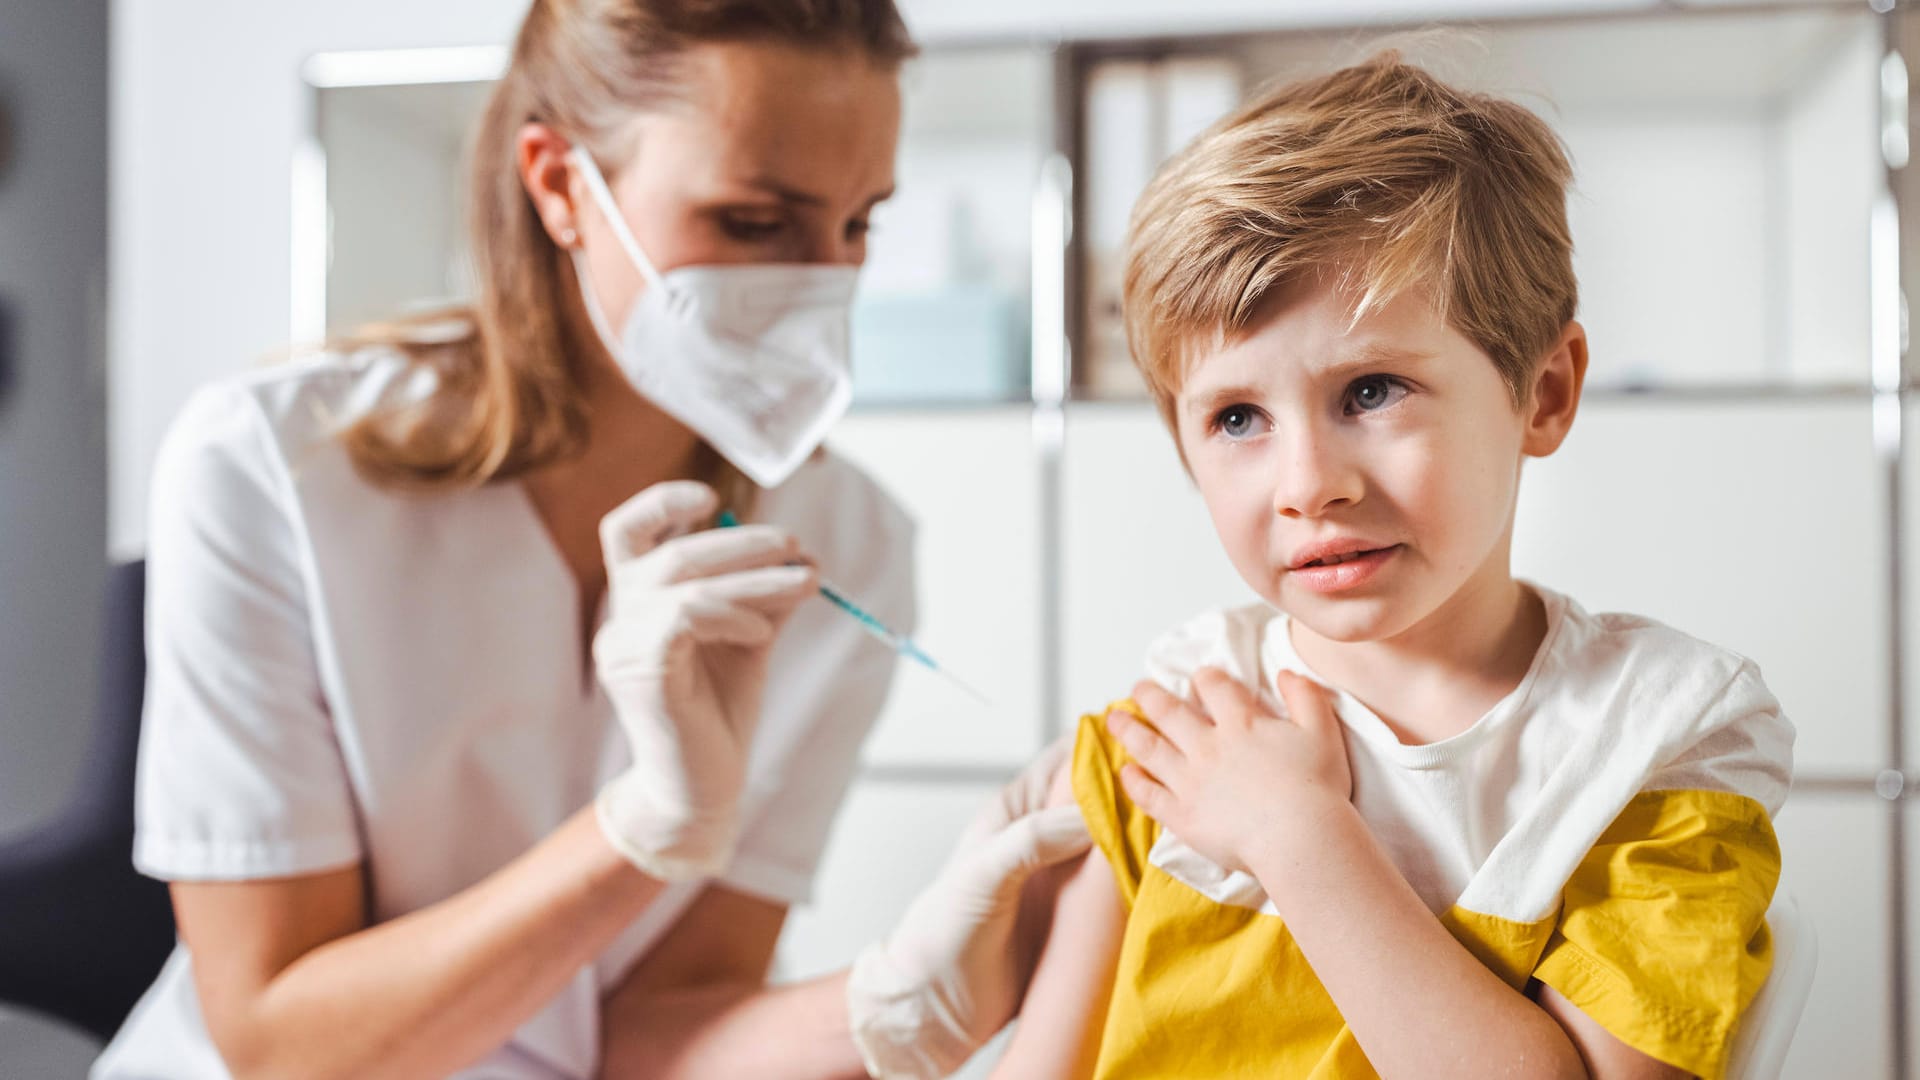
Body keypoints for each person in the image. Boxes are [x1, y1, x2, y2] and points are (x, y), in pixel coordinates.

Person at [91, 2, 1088, 1077]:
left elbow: (652, 1040)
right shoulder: (272, 466)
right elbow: (280, 1041)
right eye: (755, 223)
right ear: (562, 184)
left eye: (858, 226)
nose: (821, 282)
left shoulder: (848, 545)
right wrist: (641, 829)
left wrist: (928, 986)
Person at [992, 54, 1793, 1080]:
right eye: (1237, 416)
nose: (1306, 484)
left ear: (1542, 394)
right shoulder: (1184, 727)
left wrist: (1300, 838)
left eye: (1372, 391)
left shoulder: (1656, 745)